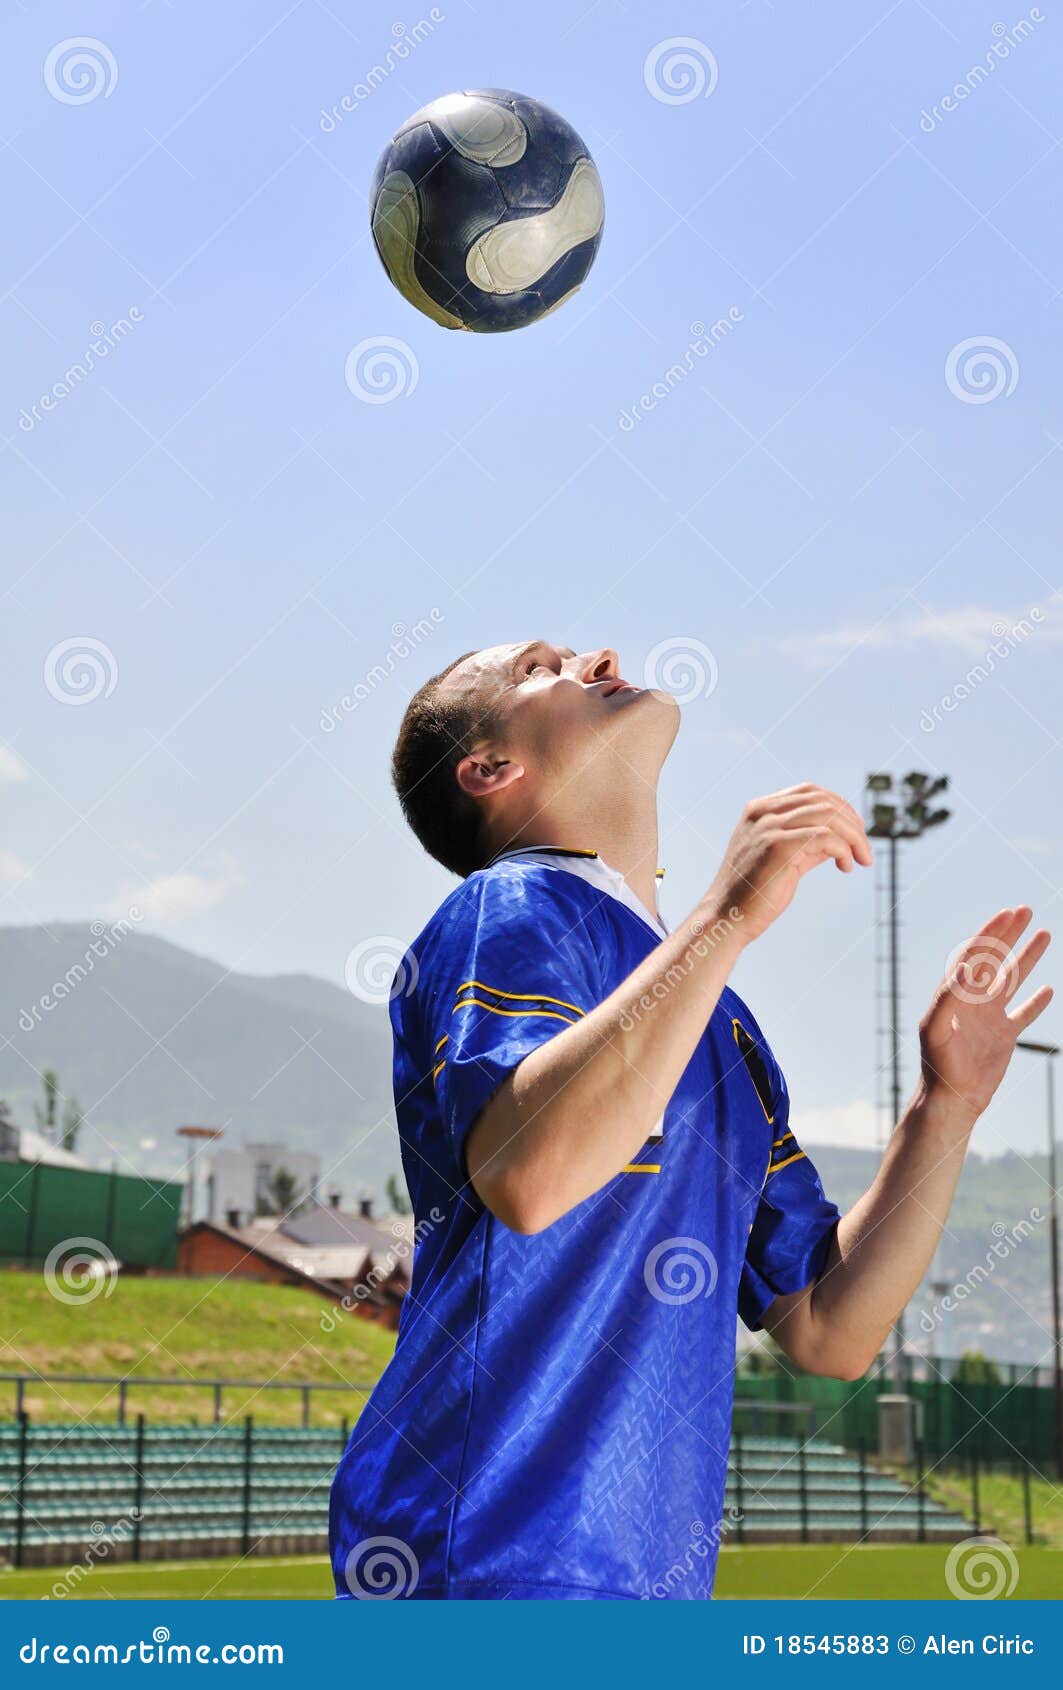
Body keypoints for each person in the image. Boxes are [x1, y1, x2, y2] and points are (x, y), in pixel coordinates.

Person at [329, 639, 1052, 1601]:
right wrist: (723, 916)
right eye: (540, 666)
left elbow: (828, 1330)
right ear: (491, 770)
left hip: (647, 1581)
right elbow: (530, 1175)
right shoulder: (510, 906)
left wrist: (944, 1106)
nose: (598, 655)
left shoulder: (716, 1018)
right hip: (487, 1552)